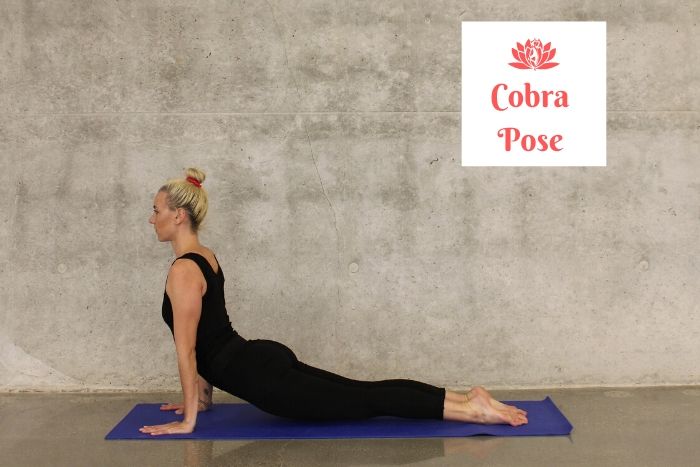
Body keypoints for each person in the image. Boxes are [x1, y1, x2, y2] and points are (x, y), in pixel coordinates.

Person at [140, 168, 528, 436]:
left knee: (367, 399)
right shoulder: (204, 256)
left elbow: (189, 350)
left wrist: (189, 420)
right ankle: (465, 400)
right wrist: (203, 401)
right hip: (259, 360)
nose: (151, 218)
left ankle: (470, 409)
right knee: (365, 392)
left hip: (264, 379)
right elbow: (206, 337)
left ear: (178, 216)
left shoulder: (182, 271)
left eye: (156, 210)